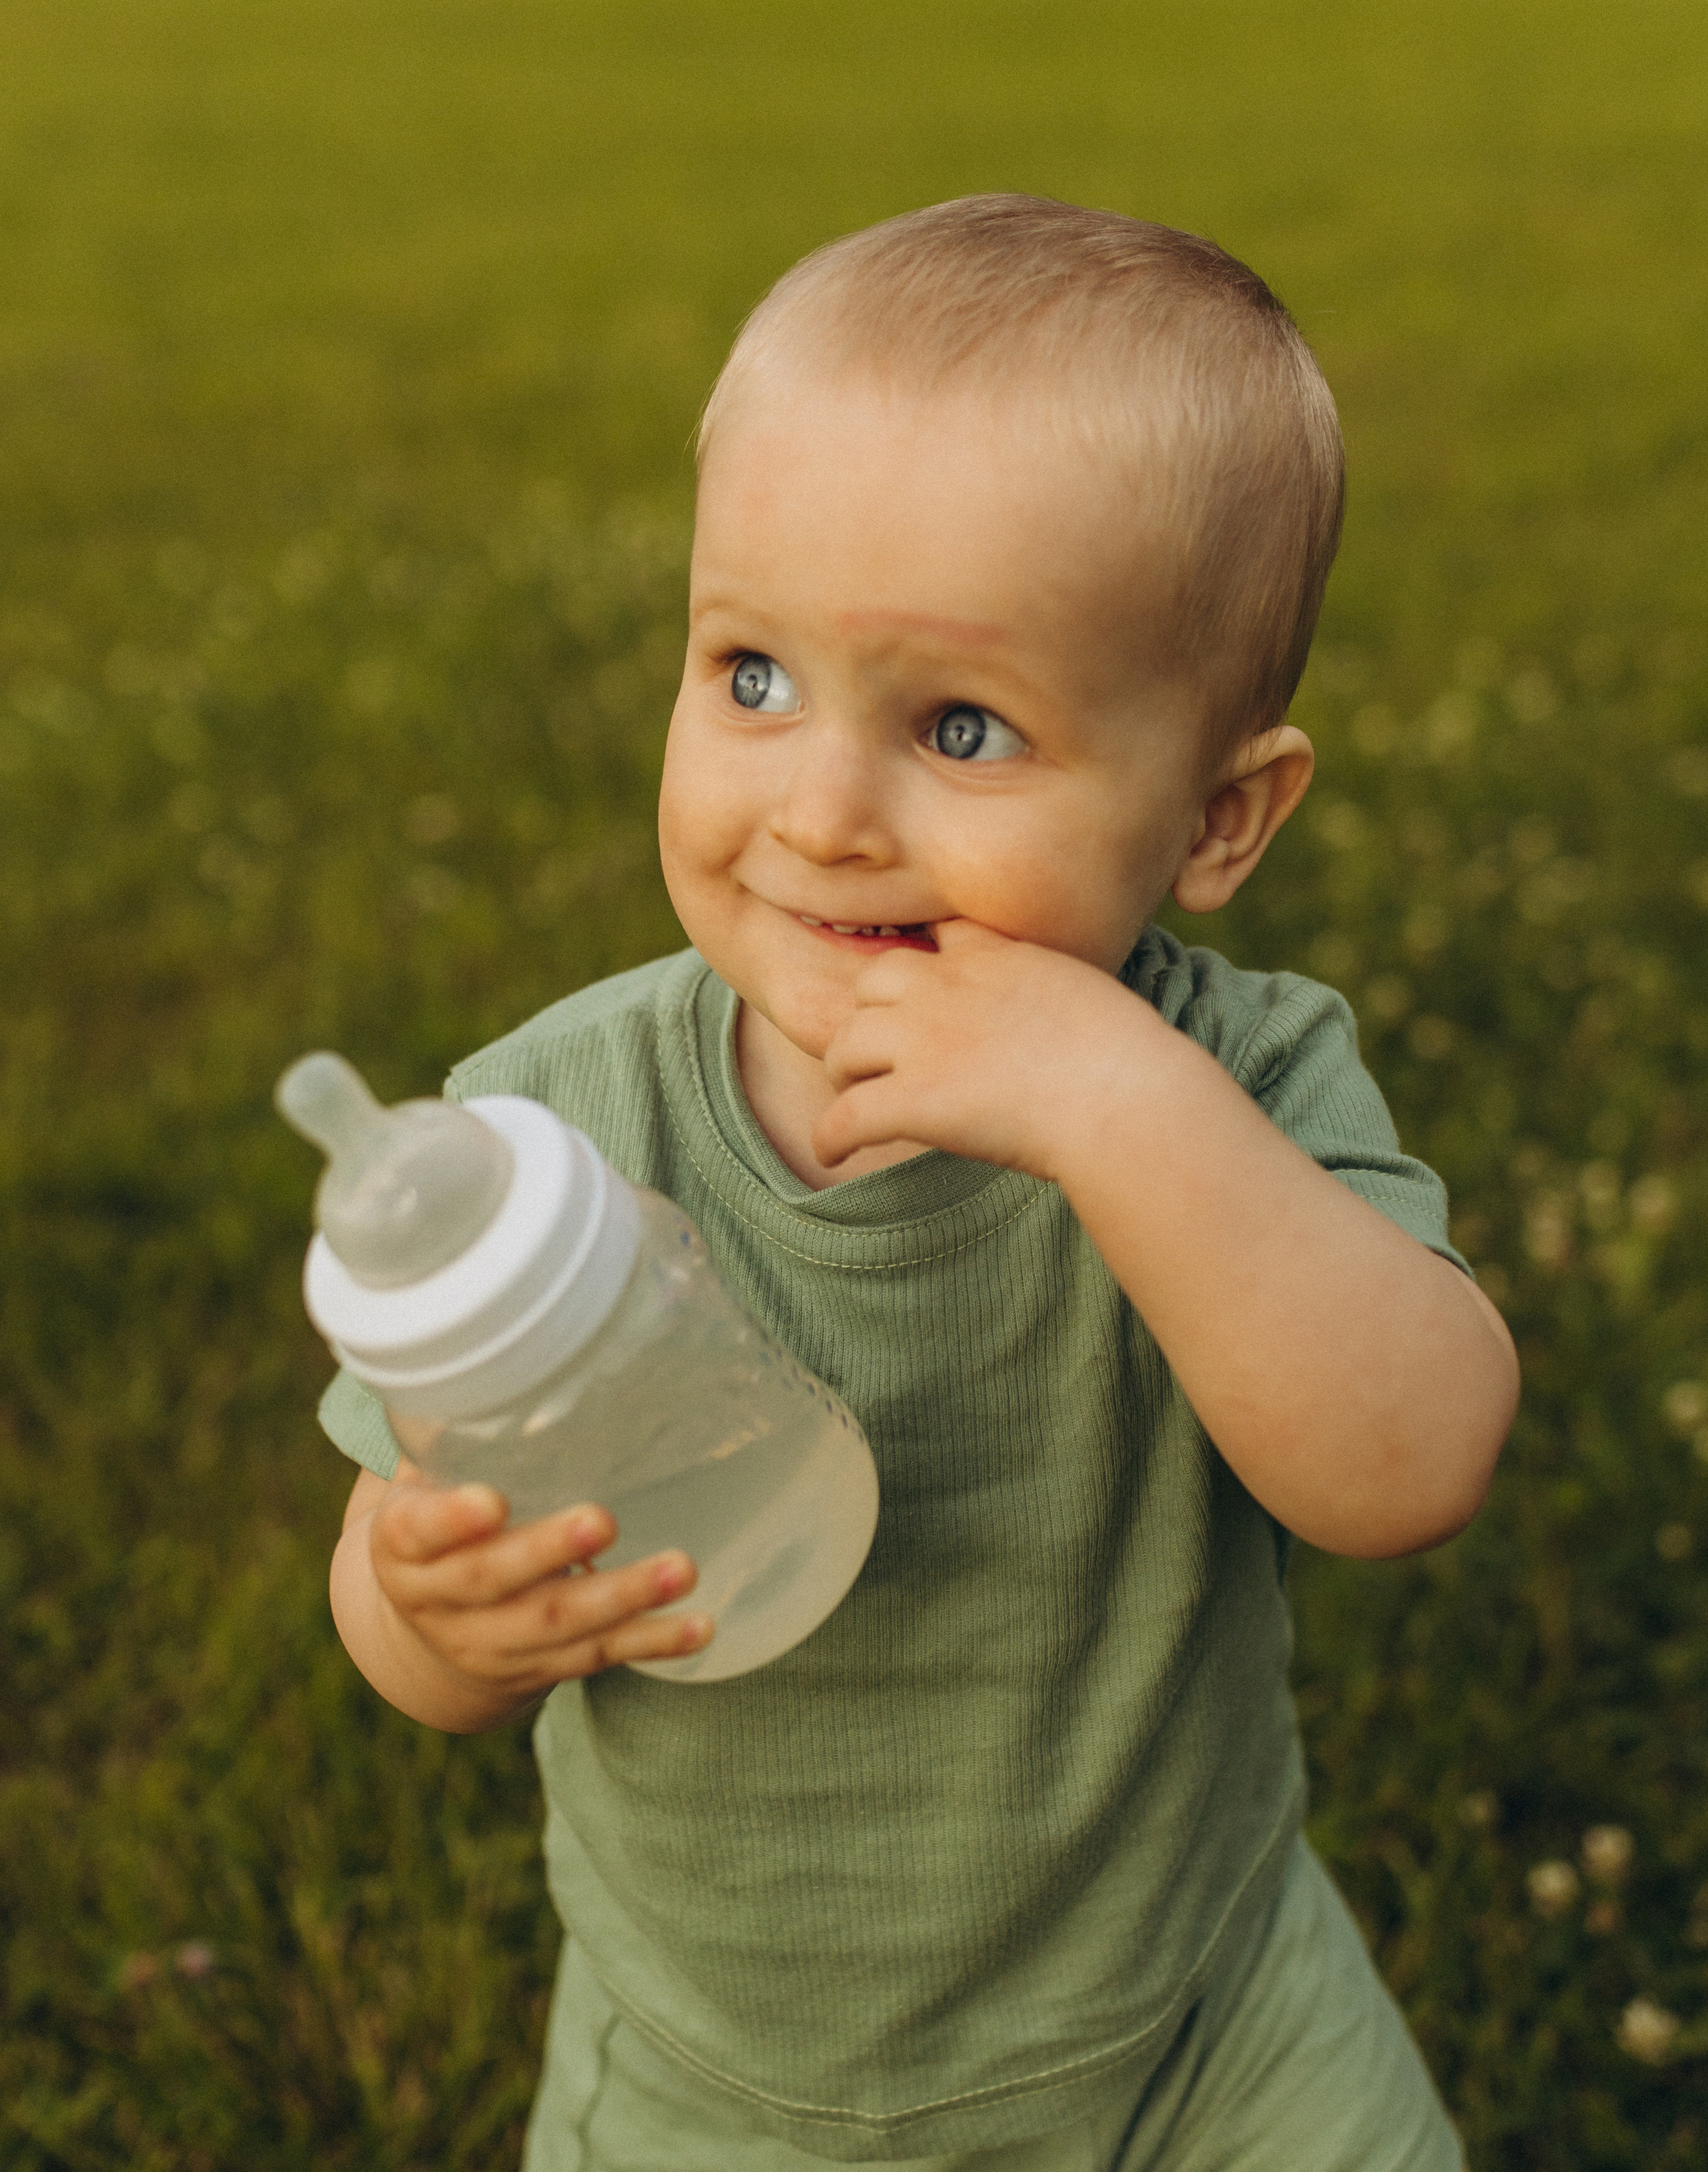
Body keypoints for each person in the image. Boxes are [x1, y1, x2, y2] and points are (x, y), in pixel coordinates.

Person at [318, 196, 1519, 2170]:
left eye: (962, 728)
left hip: (1201, 2035)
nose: (817, 813)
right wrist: (434, 1605)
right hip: (726, 2085)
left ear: (1219, 816)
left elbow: (1412, 1463)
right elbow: (403, 1620)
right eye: (753, 676)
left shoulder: (1231, 1081)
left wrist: (1118, 1109)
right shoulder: (555, 1129)